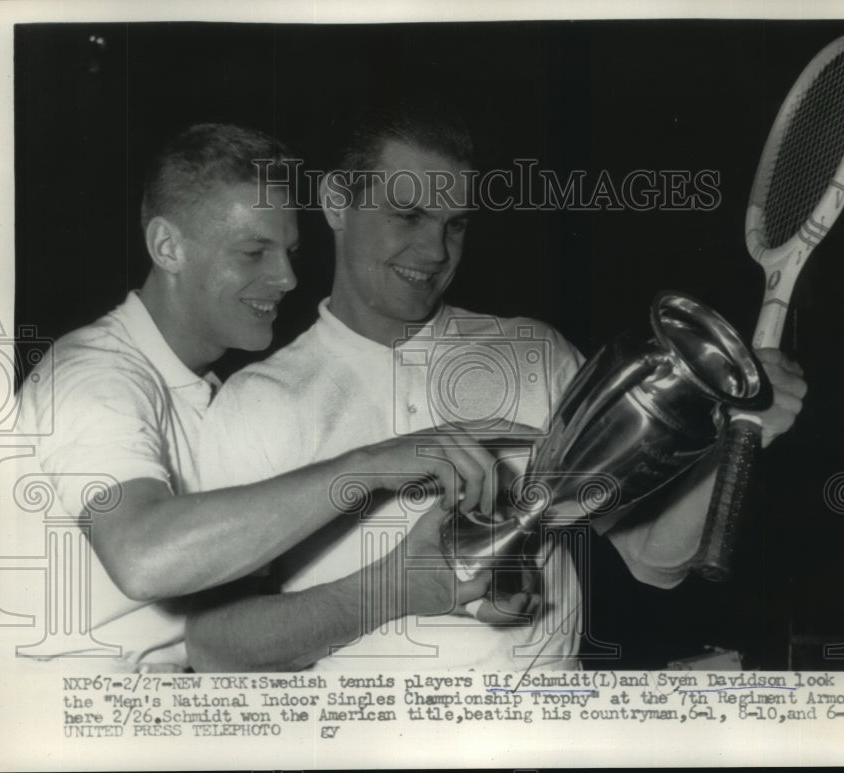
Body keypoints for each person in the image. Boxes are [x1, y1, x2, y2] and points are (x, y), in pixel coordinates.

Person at [189, 100, 807, 672]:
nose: (434, 251)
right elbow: (215, 646)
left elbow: (653, 562)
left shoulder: (533, 353)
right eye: (409, 215)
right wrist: (392, 590)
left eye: (456, 224)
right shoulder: (257, 401)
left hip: (547, 732)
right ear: (335, 203)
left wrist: (735, 436)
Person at [14, 122, 499, 672]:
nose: (288, 277)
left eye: (289, 251)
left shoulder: (212, 393)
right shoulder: (95, 377)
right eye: (253, 252)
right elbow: (142, 558)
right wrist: (371, 466)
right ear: (168, 247)